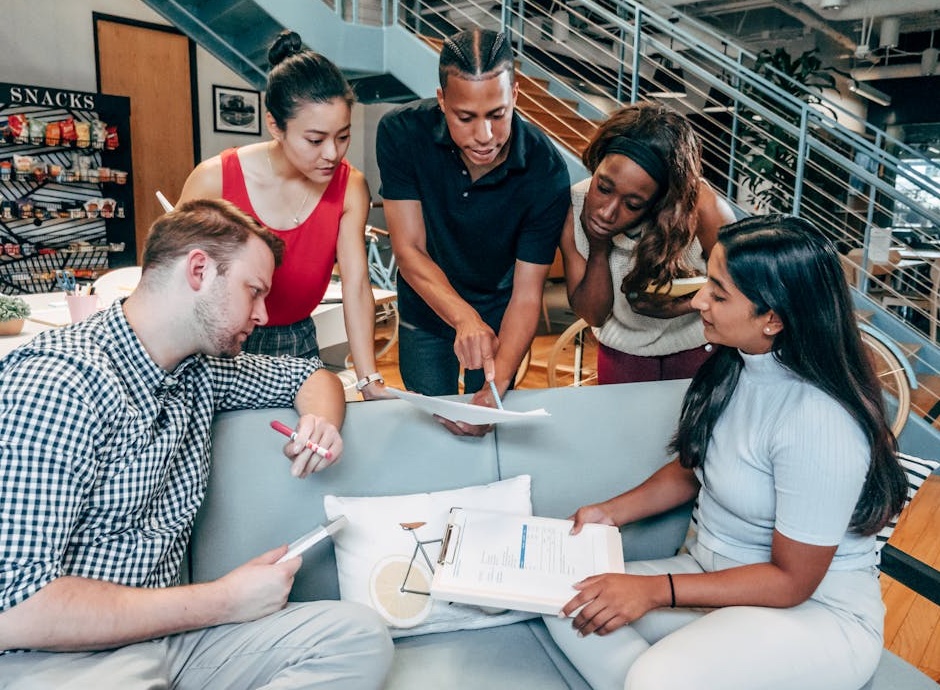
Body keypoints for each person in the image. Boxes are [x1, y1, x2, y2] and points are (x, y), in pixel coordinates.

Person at [0, 199, 393, 689]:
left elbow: (312, 374)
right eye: (253, 292)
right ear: (199, 270)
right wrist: (225, 600)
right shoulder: (58, 382)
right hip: (65, 659)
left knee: (356, 637)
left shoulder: (200, 369)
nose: (263, 315)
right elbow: (14, 608)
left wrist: (320, 420)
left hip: (175, 640)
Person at [545, 215, 908, 690]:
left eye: (718, 293)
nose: (698, 301)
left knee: (656, 679)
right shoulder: (735, 366)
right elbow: (692, 470)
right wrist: (607, 512)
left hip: (814, 613)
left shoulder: (819, 421)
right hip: (714, 579)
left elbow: (791, 582)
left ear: (773, 318)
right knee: (563, 598)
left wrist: (655, 591)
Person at [376, 27, 570, 434]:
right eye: (465, 118)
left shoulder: (545, 168)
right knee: (434, 425)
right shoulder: (401, 133)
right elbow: (409, 250)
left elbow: (528, 291)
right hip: (426, 312)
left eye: (497, 114)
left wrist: (495, 391)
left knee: (486, 423)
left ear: (515, 96)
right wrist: (463, 317)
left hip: (503, 314)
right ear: (442, 99)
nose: (484, 136)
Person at [179, 29, 389, 400]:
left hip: (298, 340)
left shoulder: (349, 187)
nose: (332, 153)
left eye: (343, 136)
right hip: (219, 344)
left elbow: (356, 286)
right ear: (275, 125)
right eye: (315, 139)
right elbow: (173, 282)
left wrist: (367, 379)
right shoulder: (214, 179)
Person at [559, 102, 737, 384]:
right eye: (603, 187)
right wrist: (599, 246)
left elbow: (740, 288)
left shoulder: (704, 209)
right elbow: (593, 315)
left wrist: (684, 305)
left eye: (633, 204)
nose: (607, 212)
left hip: (699, 349)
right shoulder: (574, 205)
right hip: (621, 353)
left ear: (660, 201)